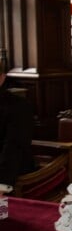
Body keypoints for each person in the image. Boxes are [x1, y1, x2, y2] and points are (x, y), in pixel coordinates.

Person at [0, 63, 35, 195]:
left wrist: (2, 184)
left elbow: (14, 147)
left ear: (2, 78)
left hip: (9, 176)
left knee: (2, 214)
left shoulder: (18, 107)